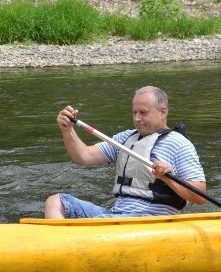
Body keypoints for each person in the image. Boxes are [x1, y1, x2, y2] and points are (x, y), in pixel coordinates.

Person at [44, 86, 207, 218]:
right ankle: (63, 247)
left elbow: (200, 195)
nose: (137, 118)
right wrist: (67, 130)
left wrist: (169, 179)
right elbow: (84, 157)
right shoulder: (125, 138)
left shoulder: (178, 144)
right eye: (134, 112)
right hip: (118, 215)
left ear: (163, 112)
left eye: (143, 113)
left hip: (149, 221)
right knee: (56, 202)